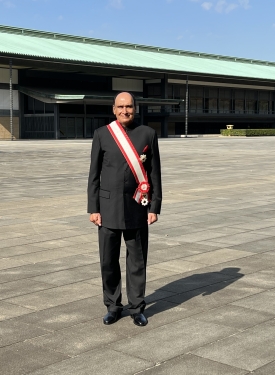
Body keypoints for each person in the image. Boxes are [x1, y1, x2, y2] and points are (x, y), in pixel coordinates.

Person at [87, 91, 162, 326]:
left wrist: (154, 206)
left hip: (137, 206)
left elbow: (154, 174)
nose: (125, 111)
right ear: (113, 109)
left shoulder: (147, 134)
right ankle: (112, 305)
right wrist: (93, 208)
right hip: (107, 208)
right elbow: (93, 175)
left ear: (135, 108)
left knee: (137, 261)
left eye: (129, 106)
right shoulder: (102, 134)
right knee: (108, 261)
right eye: (120, 107)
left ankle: (137, 307)